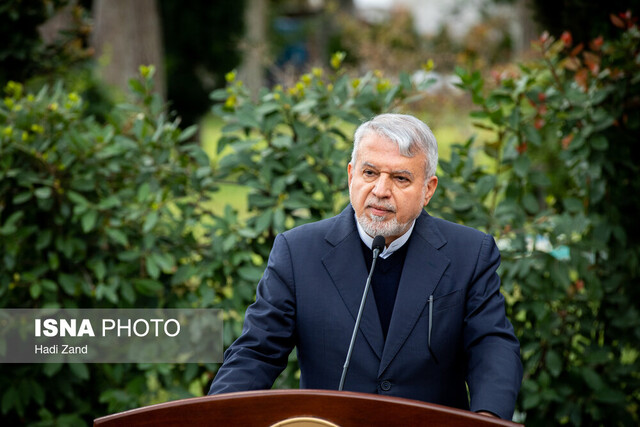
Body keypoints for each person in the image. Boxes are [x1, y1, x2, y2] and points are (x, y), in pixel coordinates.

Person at [209, 113, 522, 420]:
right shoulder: (297, 251)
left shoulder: (470, 253)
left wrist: (487, 417)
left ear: (428, 189)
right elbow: (257, 352)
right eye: (369, 173)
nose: (381, 190)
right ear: (350, 176)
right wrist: (217, 416)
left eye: (400, 178)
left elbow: (490, 344)